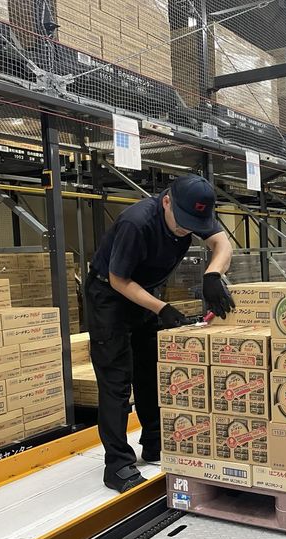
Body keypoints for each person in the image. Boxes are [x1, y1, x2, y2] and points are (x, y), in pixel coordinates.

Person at [85, 174, 234, 493]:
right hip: (109, 295)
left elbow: (222, 243)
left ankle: (154, 442)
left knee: (150, 370)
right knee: (116, 379)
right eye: (183, 222)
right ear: (166, 201)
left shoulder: (191, 210)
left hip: (145, 291)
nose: (186, 229)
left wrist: (212, 274)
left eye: (194, 224)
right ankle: (117, 465)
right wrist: (162, 308)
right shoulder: (136, 223)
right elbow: (118, 280)